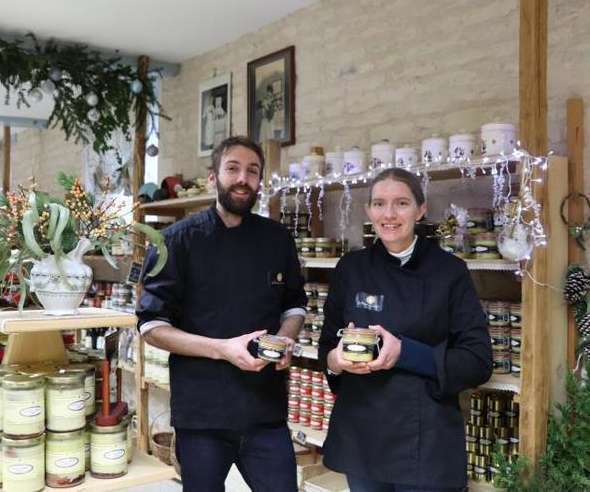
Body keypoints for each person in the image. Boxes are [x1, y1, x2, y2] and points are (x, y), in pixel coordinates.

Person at [137, 136, 307, 492]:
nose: (243, 178)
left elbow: (294, 305)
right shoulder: (176, 241)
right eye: (233, 168)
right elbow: (152, 326)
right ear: (214, 177)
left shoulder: (278, 239)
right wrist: (223, 349)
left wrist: (287, 337)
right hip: (203, 417)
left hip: (266, 412)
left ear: (260, 181)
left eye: (253, 171)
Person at [318, 168, 493, 492]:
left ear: (420, 209)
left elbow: (478, 360)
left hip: (426, 440)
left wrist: (405, 353)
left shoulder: (450, 272)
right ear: (369, 211)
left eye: (401, 203)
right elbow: (327, 345)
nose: (389, 214)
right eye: (380, 204)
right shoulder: (350, 269)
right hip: (363, 434)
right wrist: (336, 360)